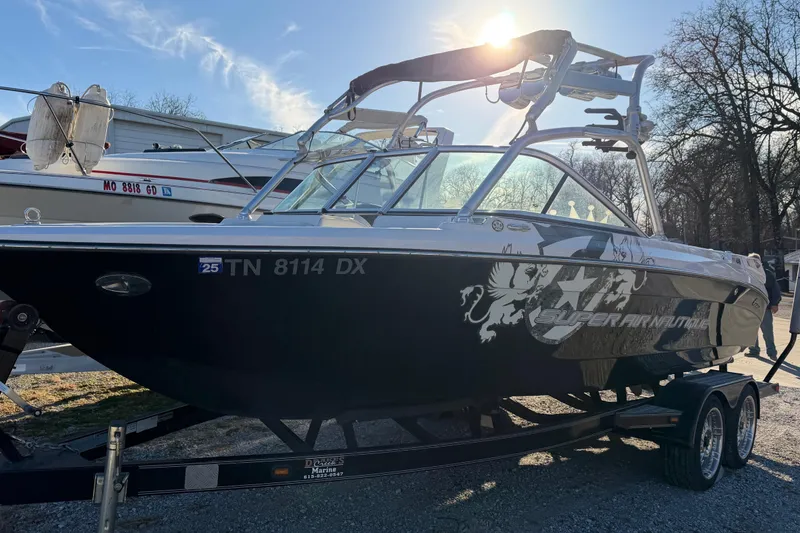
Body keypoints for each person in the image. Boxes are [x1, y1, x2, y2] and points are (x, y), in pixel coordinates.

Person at [746, 253, 781, 359]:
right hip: (750, 307)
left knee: (767, 332)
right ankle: (753, 350)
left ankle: (772, 352)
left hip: (765, 307)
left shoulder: (767, 274)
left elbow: (775, 290)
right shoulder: (746, 273)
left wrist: (775, 303)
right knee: (751, 330)